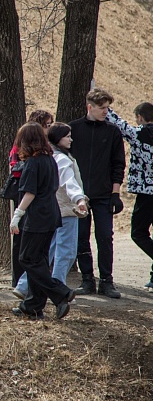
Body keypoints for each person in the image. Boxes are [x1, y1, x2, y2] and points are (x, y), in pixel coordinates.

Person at [14, 123, 88, 298]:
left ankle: (31, 290)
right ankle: (55, 292)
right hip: (62, 212)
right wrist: (79, 199)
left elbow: (33, 191)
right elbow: (69, 183)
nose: (71, 139)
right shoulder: (56, 159)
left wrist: (18, 214)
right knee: (60, 253)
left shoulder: (47, 158)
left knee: (39, 255)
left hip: (47, 214)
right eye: (67, 136)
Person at [69, 88, 126, 299]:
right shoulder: (73, 129)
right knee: (81, 237)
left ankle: (106, 281)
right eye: (102, 108)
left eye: (107, 108)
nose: (105, 112)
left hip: (103, 194)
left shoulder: (113, 131)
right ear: (89, 107)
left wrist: (115, 193)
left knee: (105, 237)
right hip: (79, 195)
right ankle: (87, 279)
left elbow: (118, 164)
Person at [106, 102, 153, 291]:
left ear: (140, 117)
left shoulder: (139, 134)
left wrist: (104, 106)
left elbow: (118, 124)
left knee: (138, 233)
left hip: (147, 193)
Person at [8, 110, 54, 287]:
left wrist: (17, 215)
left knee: (28, 256)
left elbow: (31, 192)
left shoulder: (38, 161)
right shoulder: (45, 158)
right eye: (46, 125)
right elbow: (15, 170)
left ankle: (57, 290)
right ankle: (31, 293)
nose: (48, 129)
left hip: (36, 210)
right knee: (30, 253)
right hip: (37, 206)